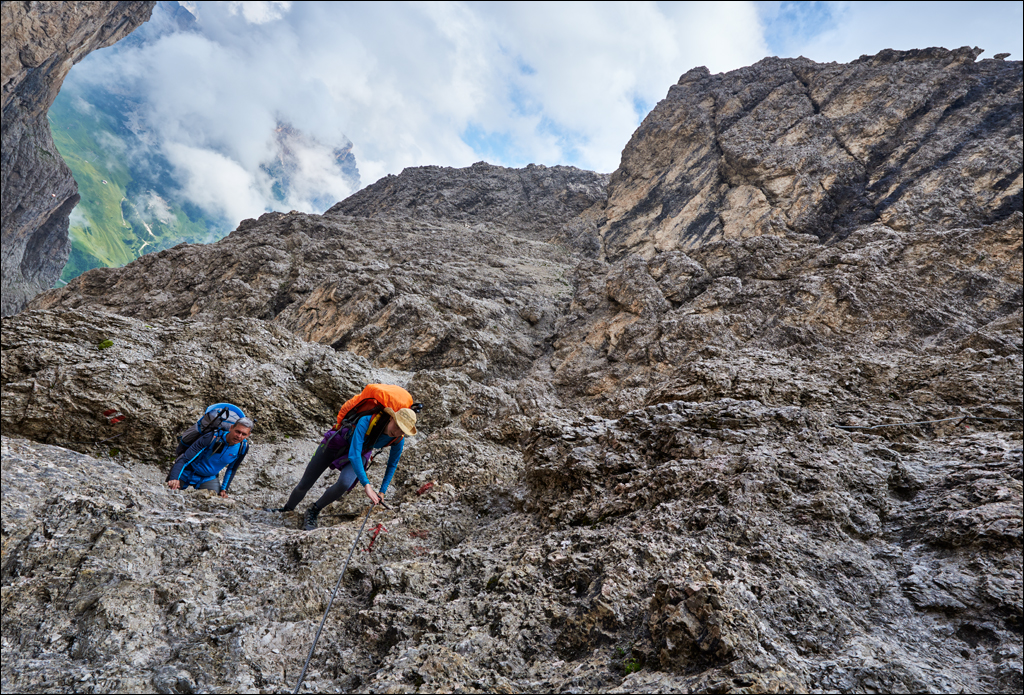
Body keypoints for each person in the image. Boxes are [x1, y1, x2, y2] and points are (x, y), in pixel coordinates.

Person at [269, 388, 418, 530]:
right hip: (336, 443)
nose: (397, 432)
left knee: (345, 483)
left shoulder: (398, 439)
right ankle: (287, 510)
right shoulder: (367, 420)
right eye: (397, 426)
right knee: (304, 484)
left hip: (361, 452)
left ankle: (314, 510)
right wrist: (366, 485)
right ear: (391, 417)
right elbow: (354, 453)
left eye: (402, 430)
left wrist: (382, 491)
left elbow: (392, 465)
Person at [167, 418, 253, 497]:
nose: (239, 436)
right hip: (186, 473)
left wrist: (224, 489)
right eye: (237, 431)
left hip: (209, 478)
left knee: (215, 504)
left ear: (248, 435)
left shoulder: (243, 447)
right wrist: (174, 478)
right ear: (231, 428)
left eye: (243, 434)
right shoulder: (211, 437)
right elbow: (185, 458)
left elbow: (232, 469)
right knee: (170, 495)